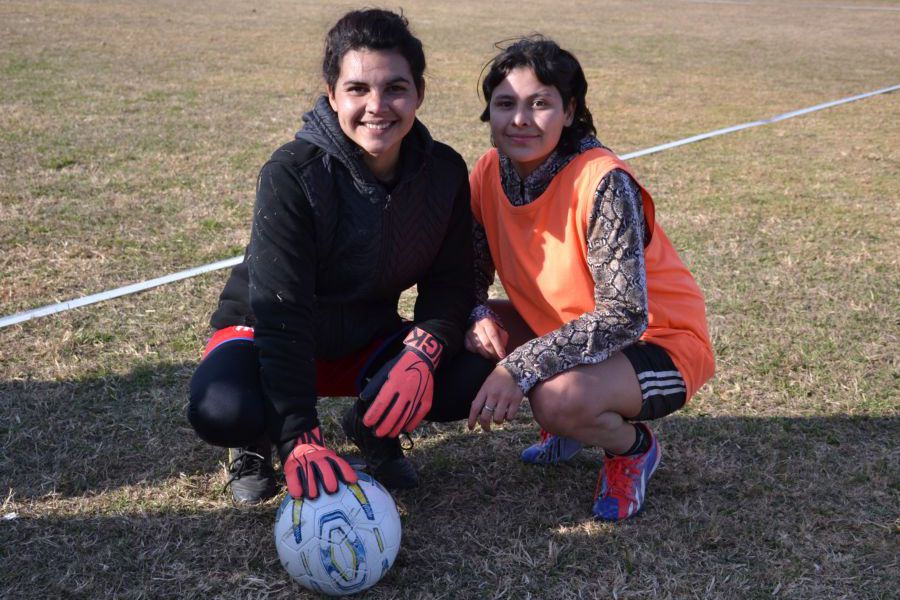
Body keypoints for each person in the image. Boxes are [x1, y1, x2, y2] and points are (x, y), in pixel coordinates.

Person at [187, 9, 492, 504]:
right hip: (266, 332)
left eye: (395, 88)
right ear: (332, 94)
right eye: (357, 89)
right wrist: (298, 436)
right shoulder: (292, 173)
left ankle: (373, 424)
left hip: (362, 335)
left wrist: (423, 350)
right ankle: (254, 441)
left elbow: (451, 283)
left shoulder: (444, 172)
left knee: (466, 378)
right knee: (223, 408)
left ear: (420, 92)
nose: (377, 106)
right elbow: (281, 313)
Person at [465, 37, 715, 521]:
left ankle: (632, 448)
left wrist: (520, 367)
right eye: (505, 103)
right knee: (471, 333)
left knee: (554, 399)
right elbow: (472, 276)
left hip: (657, 340)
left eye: (540, 103)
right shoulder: (487, 171)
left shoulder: (602, 181)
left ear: (570, 109)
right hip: (571, 331)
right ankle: (572, 423)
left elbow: (624, 316)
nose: (520, 119)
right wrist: (476, 312)